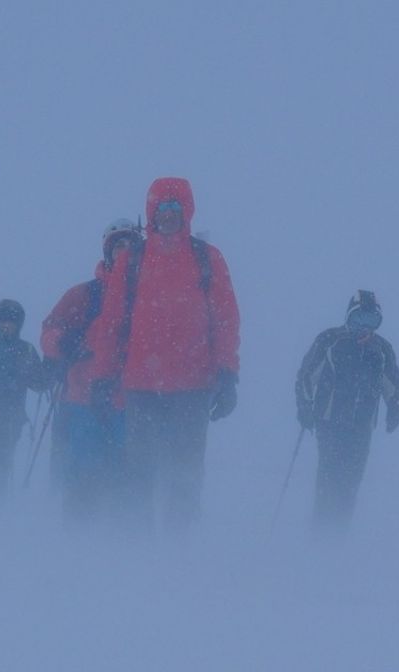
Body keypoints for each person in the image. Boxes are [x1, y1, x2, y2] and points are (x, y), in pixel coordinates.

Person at [87, 178, 241, 532]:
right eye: (161, 209)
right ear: (150, 213)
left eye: (175, 209)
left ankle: (179, 543)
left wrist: (228, 374)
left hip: (193, 386)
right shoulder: (133, 260)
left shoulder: (207, 258)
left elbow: (226, 319)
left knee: (185, 471)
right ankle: (136, 540)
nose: (168, 216)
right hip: (141, 385)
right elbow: (112, 323)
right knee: (139, 467)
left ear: (186, 212)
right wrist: (101, 376)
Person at [40, 218, 142, 524]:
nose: (124, 252)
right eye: (118, 246)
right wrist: (64, 343)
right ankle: (78, 543)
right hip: (83, 401)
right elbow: (48, 333)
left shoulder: (147, 297)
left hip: (132, 403)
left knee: (129, 478)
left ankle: (123, 545)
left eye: (130, 246)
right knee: (83, 475)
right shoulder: (83, 295)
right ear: (108, 251)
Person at [295, 290, 399, 532]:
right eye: (358, 320)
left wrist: (395, 409)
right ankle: (321, 527)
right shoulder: (330, 340)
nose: (364, 328)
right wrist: (304, 406)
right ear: (348, 317)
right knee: (329, 472)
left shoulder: (381, 349)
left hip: (362, 424)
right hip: (329, 421)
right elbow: (306, 376)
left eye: (371, 321)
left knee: (352, 477)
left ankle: (339, 530)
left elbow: (393, 386)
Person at [0, 299, 47, 503]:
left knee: (1, 461)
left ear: (19, 325)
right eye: (3, 320)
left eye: (12, 322)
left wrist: (49, 369)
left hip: (10, 419)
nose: (6, 325)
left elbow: (39, 384)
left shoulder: (25, 350)